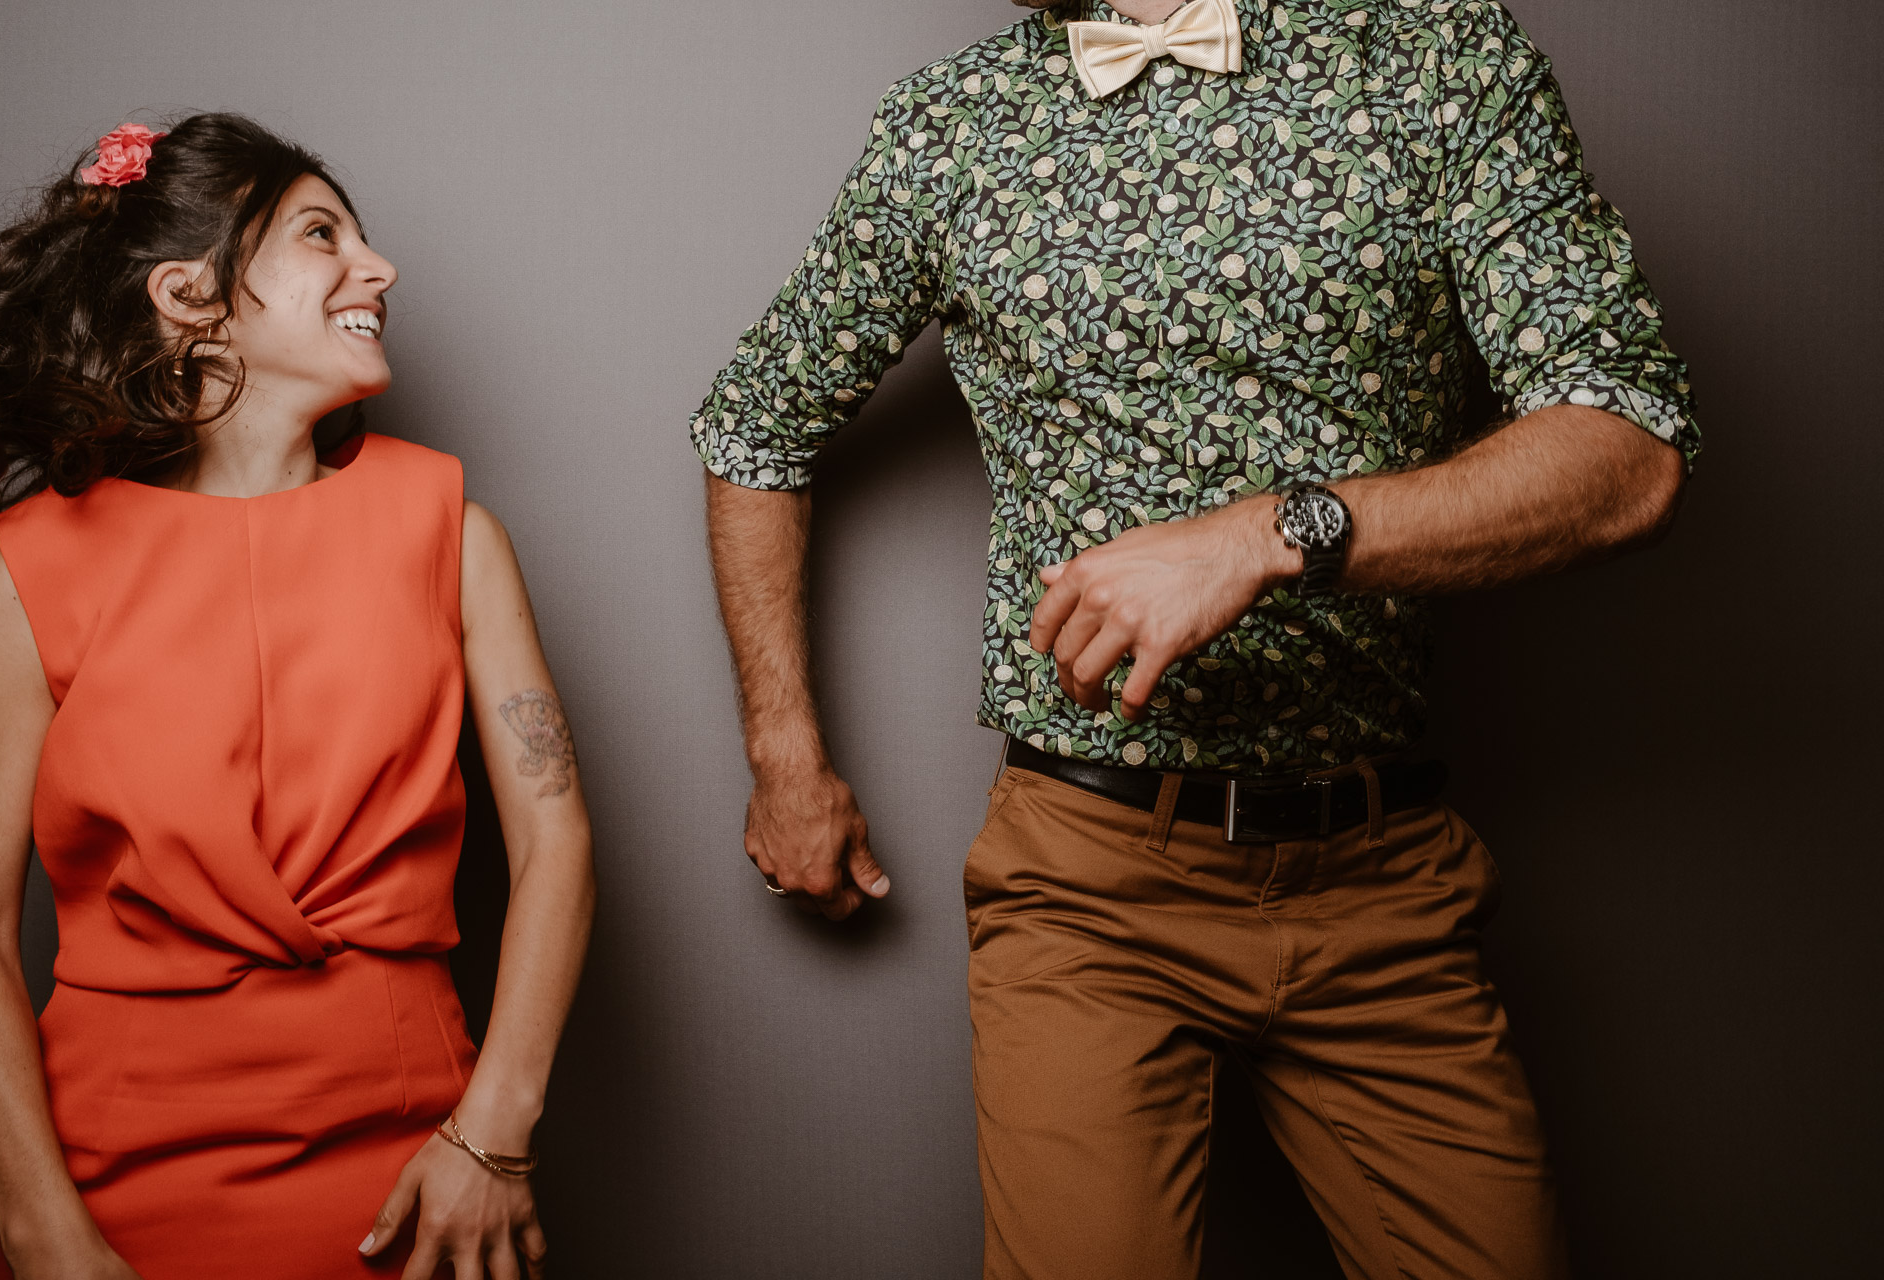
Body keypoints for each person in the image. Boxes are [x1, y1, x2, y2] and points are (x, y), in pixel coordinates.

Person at [694, 1, 1698, 1277]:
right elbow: (753, 427)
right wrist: (786, 759)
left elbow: (1626, 449)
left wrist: (1270, 534)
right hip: (1088, 885)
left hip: (1381, 884)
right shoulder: (941, 127)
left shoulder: (1439, 57)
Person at [0, 114, 592, 1280]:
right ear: (189, 297)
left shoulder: (452, 534)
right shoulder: (28, 576)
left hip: (417, 1171)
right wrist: (41, 1226)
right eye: (324, 235)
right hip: (106, 1183)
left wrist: (493, 1134)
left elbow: (556, 841)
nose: (380, 268)